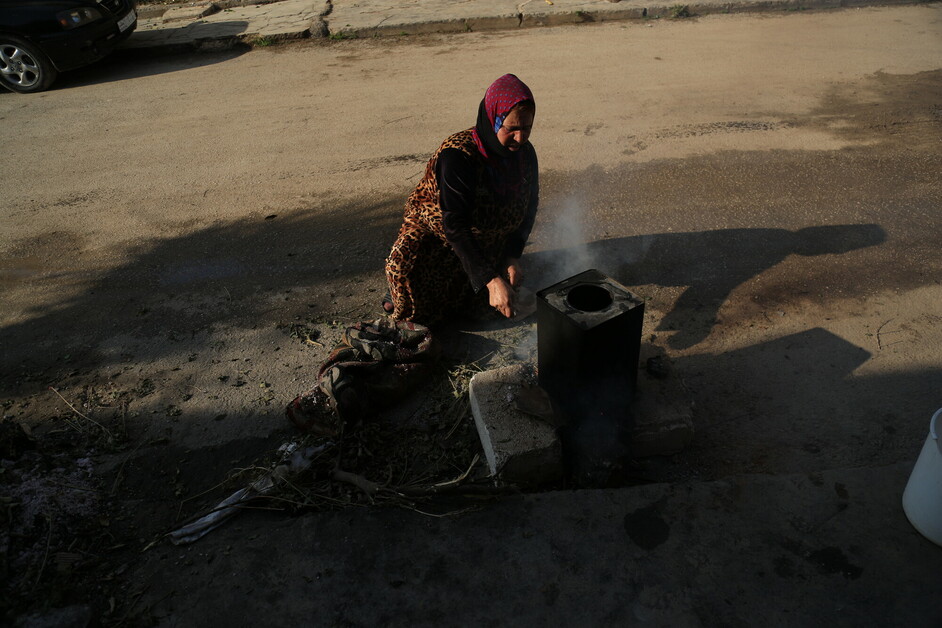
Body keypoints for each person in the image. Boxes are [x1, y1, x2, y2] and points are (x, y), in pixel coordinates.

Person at [385, 73, 539, 326]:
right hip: (441, 240)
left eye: (527, 128)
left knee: (496, 299)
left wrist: (513, 256)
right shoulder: (458, 156)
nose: (521, 138)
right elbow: (454, 225)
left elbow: (530, 206)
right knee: (411, 285)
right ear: (492, 119)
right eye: (511, 128)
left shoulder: (525, 154)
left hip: (486, 243)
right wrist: (490, 278)